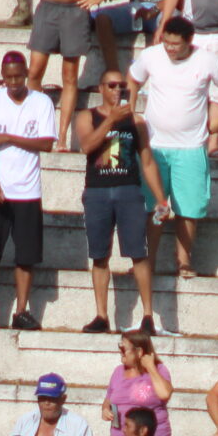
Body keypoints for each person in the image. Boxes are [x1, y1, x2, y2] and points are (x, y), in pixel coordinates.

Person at [132, 18, 218, 282]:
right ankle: (150, 260)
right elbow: (132, 80)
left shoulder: (207, 60)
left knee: (188, 209)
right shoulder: (150, 56)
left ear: (189, 42)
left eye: (175, 44)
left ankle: (183, 259)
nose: (169, 48)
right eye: (166, 42)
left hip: (191, 146)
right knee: (154, 207)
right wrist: (131, 112)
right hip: (154, 147)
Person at [0, 51, 58, 330]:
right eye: (8, 77)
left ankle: (21, 311)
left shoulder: (41, 102)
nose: (14, 82)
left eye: (18, 76)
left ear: (27, 73)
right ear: (2, 77)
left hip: (27, 189)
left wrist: (10, 137)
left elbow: (45, 143)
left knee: (26, 255)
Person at [76, 70, 156, 333]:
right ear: (101, 88)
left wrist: (161, 198)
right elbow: (87, 146)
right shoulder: (88, 116)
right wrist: (110, 120)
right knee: (99, 255)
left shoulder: (137, 121)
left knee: (138, 253)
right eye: (112, 85)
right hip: (98, 190)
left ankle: (147, 316)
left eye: (122, 86)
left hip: (128, 189)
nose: (117, 90)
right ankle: (101, 315)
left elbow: (147, 160)